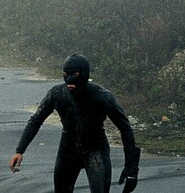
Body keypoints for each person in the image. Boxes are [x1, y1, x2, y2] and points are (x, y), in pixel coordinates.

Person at [9, 54, 140, 193]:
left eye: (75, 74)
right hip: (68, 151)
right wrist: (19, 150)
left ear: (84, 74)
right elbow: (36, 120)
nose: (69, 80)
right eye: (65, 74)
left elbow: (125, 128)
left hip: (96, 151)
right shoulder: (57, 94)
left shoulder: (102, 96)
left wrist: (132, 169)